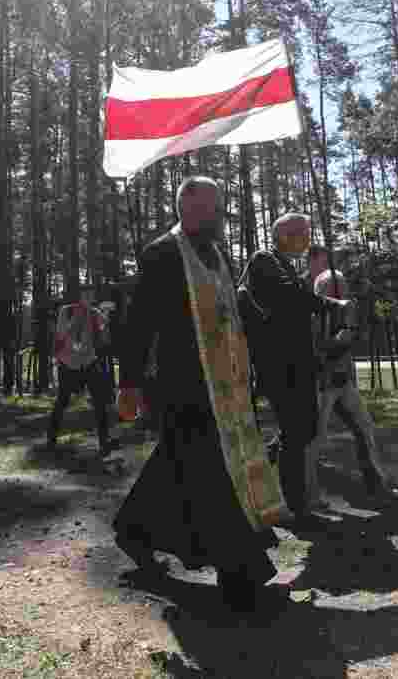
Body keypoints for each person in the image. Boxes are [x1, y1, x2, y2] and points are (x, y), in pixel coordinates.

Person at [113, 176, 289, 615]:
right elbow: (140, 322)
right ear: (186, 207)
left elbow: (233, 313)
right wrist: (130, 382)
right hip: (182, 386)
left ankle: (134, 529)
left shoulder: (215, 254)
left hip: (225, 387)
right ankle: (241, 575)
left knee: (178, 463)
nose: (218, 212)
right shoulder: (163, 253)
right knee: (213, 474)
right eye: (210, 206)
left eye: (219, 205)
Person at [245, 213, 349, 516]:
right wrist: (331, 305)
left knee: (303, 431)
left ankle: (267, 472)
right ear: (283, 235)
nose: (307, 239)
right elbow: (289, 297)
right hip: (279, 364)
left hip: (299, 362)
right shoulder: (264, 260)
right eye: (301, 233)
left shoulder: (287, 266)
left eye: (308, 233)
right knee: (297, 432)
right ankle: (294, 507)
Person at [308, 269, 398, 507]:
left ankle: (375, 483)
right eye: (334, 287)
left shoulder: (348, 311)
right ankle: (308, 493)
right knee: (314, 438)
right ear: (321, 290)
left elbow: (354, 338)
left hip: (344, 383)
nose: (340, 291)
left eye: (342, 287)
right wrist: (337, 342)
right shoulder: (313, 314)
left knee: (364, 426)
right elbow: (316, 351)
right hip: (322, 384)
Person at [46, 289, 117, 457]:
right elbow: (61, 334)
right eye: (86, 296)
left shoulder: (94, 313)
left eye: (91, 297)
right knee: (62, 401)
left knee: (99, 401)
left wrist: (106, 315)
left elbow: (104, 331)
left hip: (88, 362)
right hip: (68, 362)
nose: (89, 299)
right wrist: (77, 319)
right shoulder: (66, 311)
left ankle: (104, 441)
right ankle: (51, 439)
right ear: (79, 297)